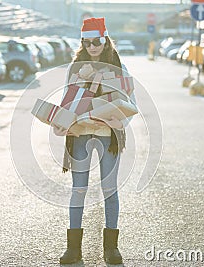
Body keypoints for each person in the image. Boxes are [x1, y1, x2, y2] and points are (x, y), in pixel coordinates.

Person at [53, 17, 136, 265]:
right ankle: (73, 249)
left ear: (105, 40)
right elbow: (67, 100)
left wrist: (120, 122)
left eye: (97, 41)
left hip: (108, 136)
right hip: (80, 134)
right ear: (83, 43)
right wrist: (62, 123)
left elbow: (132, 103)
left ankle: (111, 249)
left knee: (109, 189)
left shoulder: (119, 67)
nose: (93, 46)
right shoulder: (75, 67)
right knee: (78, 190)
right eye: (87, 42)